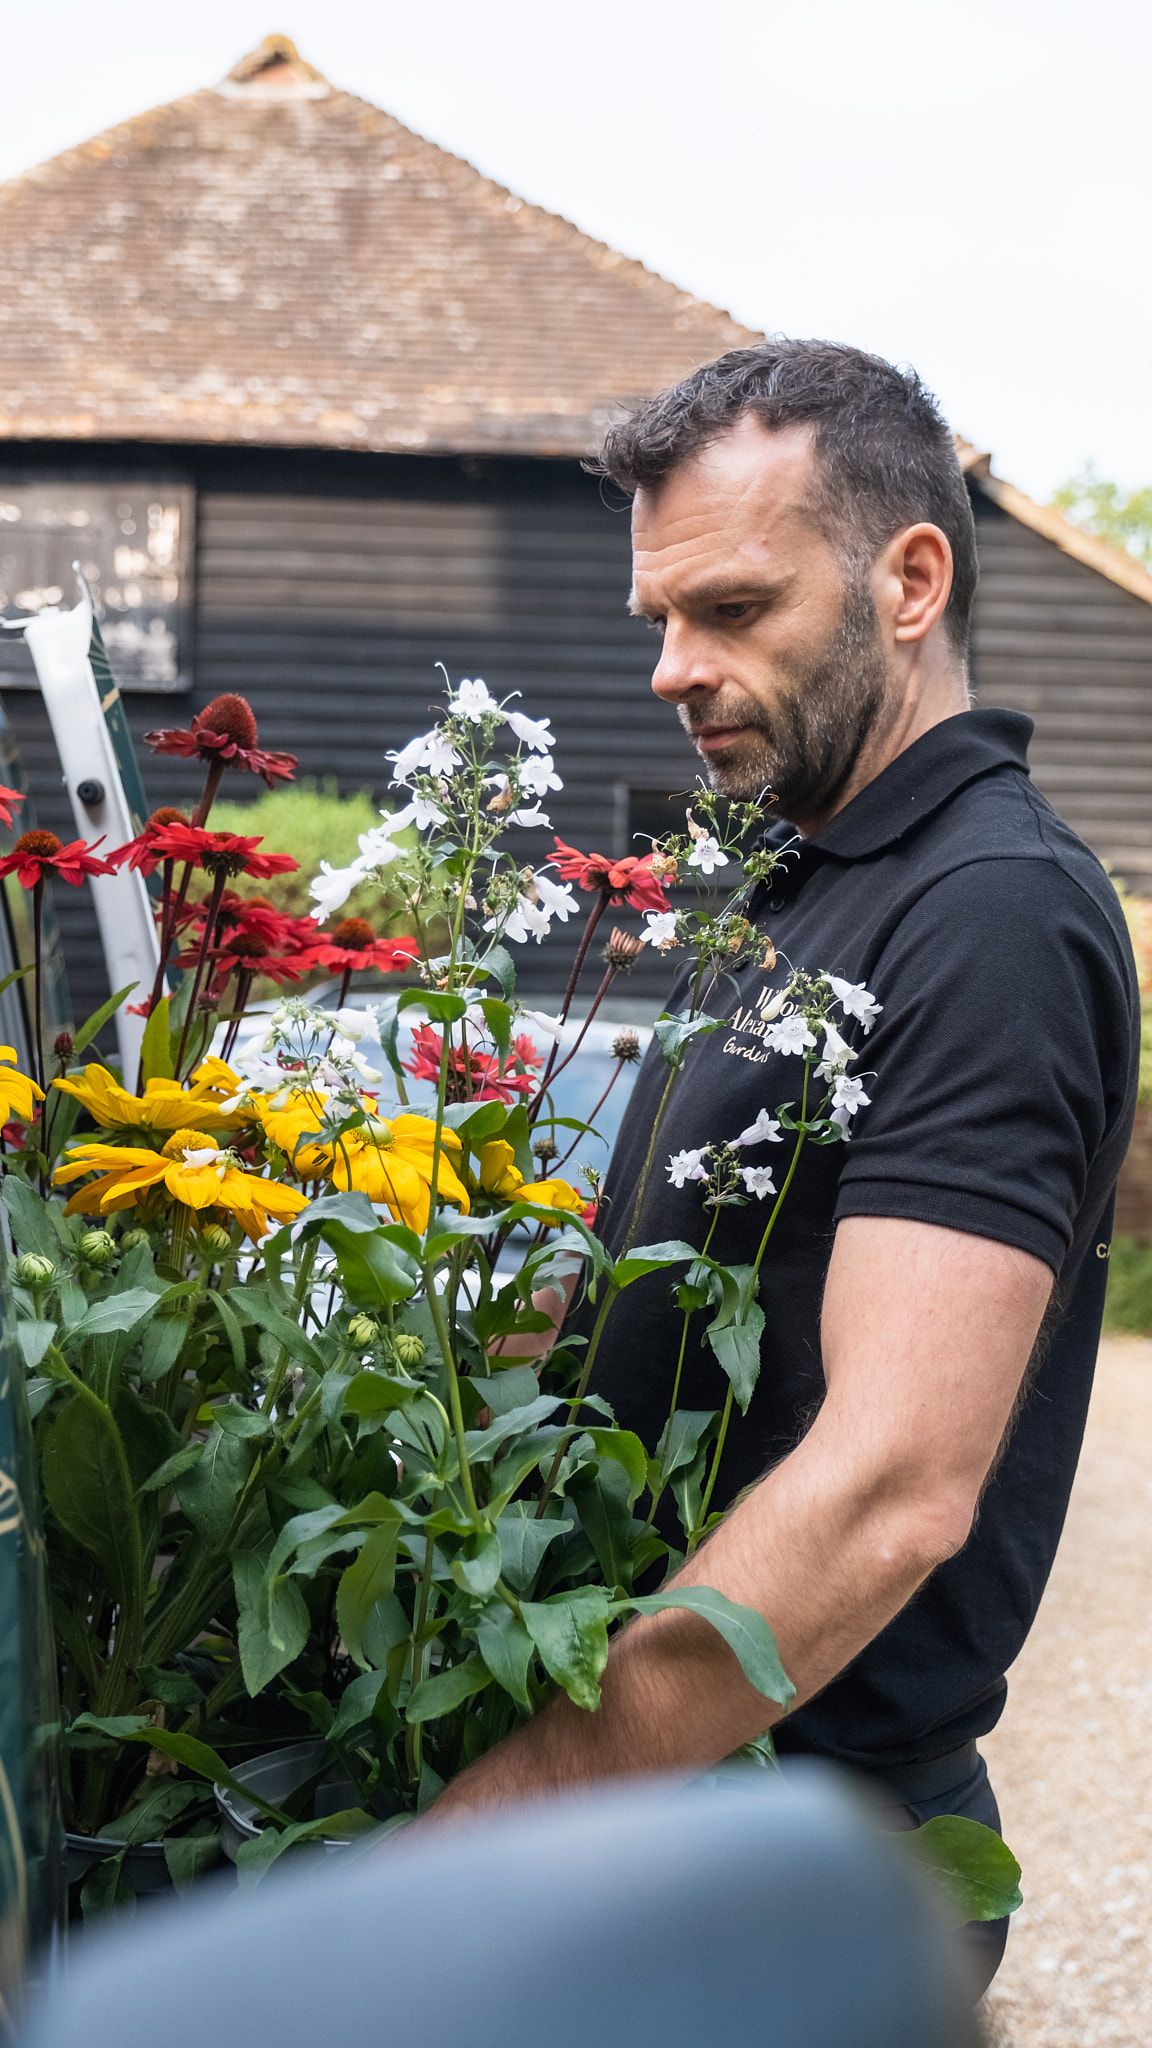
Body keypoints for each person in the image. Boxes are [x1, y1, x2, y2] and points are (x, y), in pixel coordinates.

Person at [424, 341, 1141, 1994]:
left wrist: (490, 1833)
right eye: (660, 621)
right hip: (681, 1814)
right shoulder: (807, 881)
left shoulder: (992, 912)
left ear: (910, 579)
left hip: (790, 1856)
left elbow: (890, 1488)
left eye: (733, 609)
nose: (675, 668)